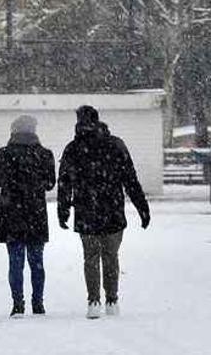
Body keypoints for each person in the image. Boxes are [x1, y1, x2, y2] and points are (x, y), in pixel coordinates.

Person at [57, 105, 150, 319]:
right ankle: (112, 300)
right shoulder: (116, 145)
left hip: (86, 210)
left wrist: (63, 211)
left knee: (90, 257)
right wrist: (142, 208)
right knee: (111, 256)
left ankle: (93, 301)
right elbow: (131, 180)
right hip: (113, 209)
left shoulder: (73, 148)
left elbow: (64, 183)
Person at [0, 114, 56, 318]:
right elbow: (50, 183)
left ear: (13, 131)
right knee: (37, 261)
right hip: (36, 213)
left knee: (15, 261)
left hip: (11, 213)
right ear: (34, 131)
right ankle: (38, 303)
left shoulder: (4, 154)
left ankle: (18, 304)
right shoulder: (45, 154)